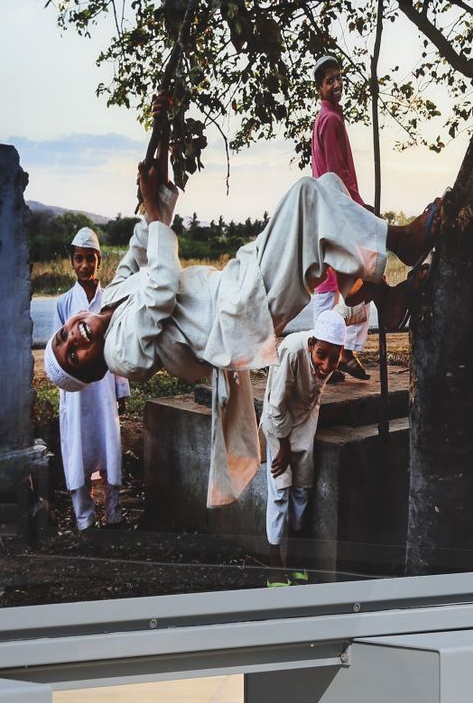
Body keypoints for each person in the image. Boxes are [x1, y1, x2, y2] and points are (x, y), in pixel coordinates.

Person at [43, 142, 437, 507]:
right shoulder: (121, 355)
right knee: (308, 196)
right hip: (241, 313)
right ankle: (401, 242)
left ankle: (378, 295)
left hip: (236, 283)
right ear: (92, 371)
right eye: (74, 356)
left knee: (328, 185)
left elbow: (145, 239)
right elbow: (161, 286)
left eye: (63, 337)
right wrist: (151, 205)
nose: (74, 339)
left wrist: (159, 157)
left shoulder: (111, 295)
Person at [260, 309, 346, 584]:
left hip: (306, 421)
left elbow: (313, 392)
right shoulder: (291, 350)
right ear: (311, 344)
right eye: (321, 355)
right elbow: (276, 406)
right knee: (280, 490)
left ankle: (296, 557)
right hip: (279, 422)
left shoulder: (329, 358)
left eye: (334, 358)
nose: (326, 365)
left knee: (302, 491)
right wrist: (283, 447)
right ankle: (275, 564)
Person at [53, 226, 129, 531]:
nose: (84, 265)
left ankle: (114, 512)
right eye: (79, 259)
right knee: (77, 447)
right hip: (75, 392)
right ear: (72, 262)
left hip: (104, 388)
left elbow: (119, 347)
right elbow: (57, 351)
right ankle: (84, 518)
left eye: (90, 259)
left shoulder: (109, 301)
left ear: (100, 260)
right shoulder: (63, 304)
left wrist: (121, 391)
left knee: (110, 444)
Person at [308, 54, 372, 383]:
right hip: (338, 210)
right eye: (329, 80)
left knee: (329, 285)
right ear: (320, 88)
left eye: (339, 78)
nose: (336, 84)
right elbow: (336, 173)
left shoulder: (326, 118)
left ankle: (334, 352)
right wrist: (359, 208)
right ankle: (339, 352)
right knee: (360, 279)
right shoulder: (330, 120)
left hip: (326, 210)